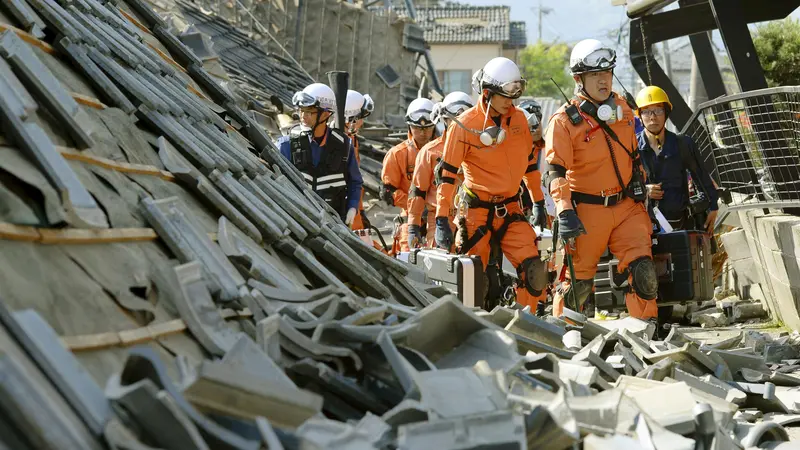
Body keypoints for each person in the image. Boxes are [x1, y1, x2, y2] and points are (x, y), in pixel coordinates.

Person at [544, 39, 659, 321]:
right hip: (586, 211)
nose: (603, 80)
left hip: (625, 206)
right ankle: (564, 337)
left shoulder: (623, 108)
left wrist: (638, 184)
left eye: (607, 73)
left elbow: (633, 154)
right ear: (578, 79)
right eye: (595, 75)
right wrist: (564, 210)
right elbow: (555, 171)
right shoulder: (563, 122)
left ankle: (647, 334)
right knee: (578, 285)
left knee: (644, 272)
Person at [435, 57, 547, 309]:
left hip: (510, 209)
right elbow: (448, 175)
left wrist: (538, 201)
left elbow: (530, 164)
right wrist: (442, 218)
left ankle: (527, 324)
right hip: (474, 213)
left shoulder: (519, 120)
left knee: (535, 271)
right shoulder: (464, 126)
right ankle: (473, 329)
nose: (512, 101)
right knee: (472, 280)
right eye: (506, 96)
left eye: (516, 95)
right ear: (487, 94)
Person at [635, 86, 719, 233]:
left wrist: (713, 206)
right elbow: (622, 184)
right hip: (644, 225)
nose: (653, 117)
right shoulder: (631, 148)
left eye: (658, 111)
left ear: (666, 113)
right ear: (640, 116)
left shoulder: (683, 144)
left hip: (680, 224)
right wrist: (643, 190)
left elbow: (701, 177)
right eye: (647, 112)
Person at [278, 83, 363, 225]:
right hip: (298, 225)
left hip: (335, 226)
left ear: (325, 114)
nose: (303, 116)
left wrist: (352, 208)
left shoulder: (344, 146)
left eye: (309, 112)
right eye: (301, 111)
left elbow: (355, 181)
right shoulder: (286, 145)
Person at [407, 92, 474, 249]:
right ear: (445, 120)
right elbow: (418, 191)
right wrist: (413, 226)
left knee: (476, 268)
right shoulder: (430, 152)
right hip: (439, 220)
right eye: (455, 120)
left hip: (474, 218)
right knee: (442, 268)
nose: (460, 125)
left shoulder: (481, 150)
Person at [381, 97, 436, 254]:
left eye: (427, 128)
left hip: (440, 219)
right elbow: (388, 192)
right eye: (417, 128)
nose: (423, 132)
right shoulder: (397, 154)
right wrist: (416, 207)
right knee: (408, 258)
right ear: (409, 127)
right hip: (409, 220)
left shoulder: (444, 152)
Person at [344, 89, 375, 231]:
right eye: (360, 118)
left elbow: (355, 181)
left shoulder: (352, 140)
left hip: (352, 206)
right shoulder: (338, 141)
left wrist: (360, 210)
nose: (362, 123)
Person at [518, 100, 548, 231]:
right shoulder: (514, 152)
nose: (536, 129)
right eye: (531, 125)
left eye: (538, 123)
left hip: (546, 210)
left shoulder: (551, 150)